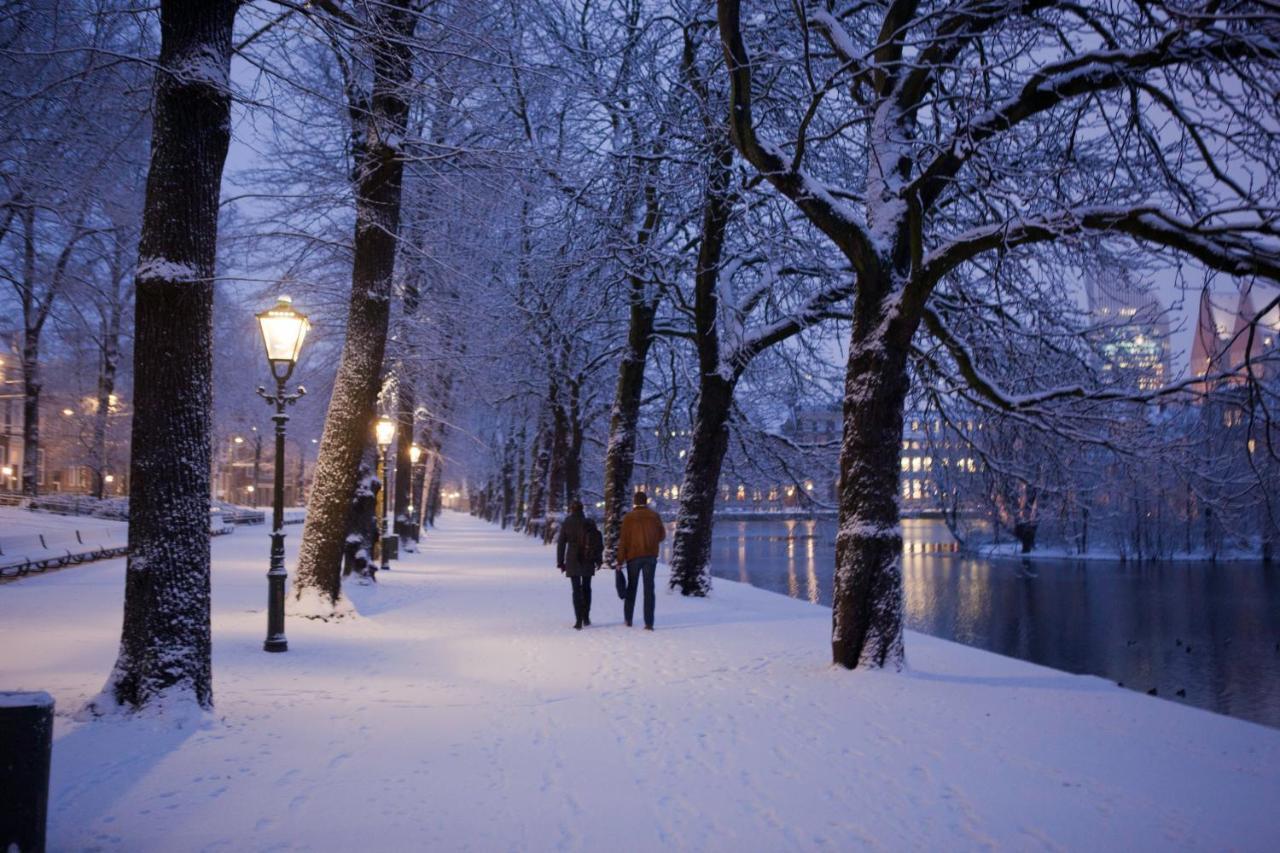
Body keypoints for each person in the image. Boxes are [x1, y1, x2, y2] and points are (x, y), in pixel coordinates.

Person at [616, 490, 665, 630]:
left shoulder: (629, 518)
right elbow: (661, 535)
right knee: (649, 589)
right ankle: (649, 622)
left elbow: (623, 541)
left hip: (633, 556)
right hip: (650, 556)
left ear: (634, 502)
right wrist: (652, 541)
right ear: (646, 502)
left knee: (632, 587)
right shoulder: (654, 516)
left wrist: (620, 561)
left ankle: (628, 619)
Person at [556, 501, 601, 629]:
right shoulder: (589, 522)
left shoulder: (567, 523)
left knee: (576, 590)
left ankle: (578, 619)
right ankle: (586, 616)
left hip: (572, 558)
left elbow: (561, 543)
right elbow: (596, 541)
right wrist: (598, 558)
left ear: (571, 510)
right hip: (588, 557)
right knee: (587, 588)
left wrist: (560, 562)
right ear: (582, 510)